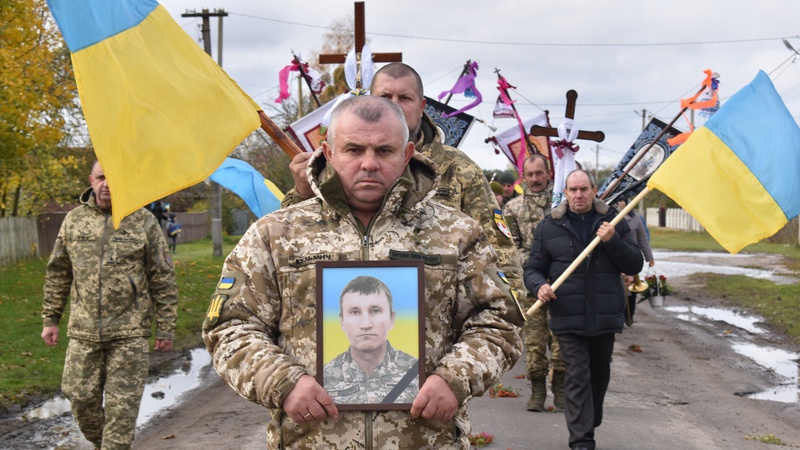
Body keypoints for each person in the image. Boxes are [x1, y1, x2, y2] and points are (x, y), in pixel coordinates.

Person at [202, 96, 522, 449]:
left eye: (384, 151)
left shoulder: (456, 234)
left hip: (427, 439)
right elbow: (230, 327)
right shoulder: (276, 234)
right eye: (353, 150)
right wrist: (284, 382)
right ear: (328, 151)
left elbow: (500, 321)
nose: (369, 164)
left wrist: (455, 378)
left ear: (407, 153)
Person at [281, 62, 525, 327]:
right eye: (385, 97)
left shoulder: (459, 169)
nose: (395, 104)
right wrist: (301, 193)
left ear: (421, 107)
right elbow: (288, 241)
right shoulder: (335, 164)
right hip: (344, 321)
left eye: (404, 98)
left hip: (437, 329)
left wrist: (504, 321)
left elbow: (498, 250)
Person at [41, 160, 178, 450]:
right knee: (80, 399)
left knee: (121, 415)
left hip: (129, 335)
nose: (107, 185)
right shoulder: (74, 220)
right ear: (91, 180)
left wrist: (166, 327)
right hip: (83, 332)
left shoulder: (143, 222)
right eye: (102, 177)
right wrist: (50, 318)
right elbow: (58, 271)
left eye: (114, 178)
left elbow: (162, 277)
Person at [523, 169, 643, 450]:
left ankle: (590, 418)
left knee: (599, 376)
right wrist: (539, 286)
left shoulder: (613, 222)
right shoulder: (550, 226)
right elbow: (533, 268)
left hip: (605, 314)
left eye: (584, 189)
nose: (578, 195)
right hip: (567, 313)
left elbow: (634, 265)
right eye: (573, 190)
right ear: (565, 193)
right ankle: (581, 441)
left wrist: (613, 239)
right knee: (577, 374)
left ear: (594, 191)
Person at [502, 154, 565, 412]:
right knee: (535, 343)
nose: (535, 179)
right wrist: (537, 268)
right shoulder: (512, 209)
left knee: (562, 341)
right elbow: (508, 246)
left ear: (549, 174)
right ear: (523, 177)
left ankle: (560, 390)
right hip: (531, 286)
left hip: (562, 284)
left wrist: (557, 269)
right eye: (530, 174)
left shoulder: (562, 203)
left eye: (540, 173)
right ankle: (537, 391)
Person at [323, 276, 418, 405]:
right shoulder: (323, 377)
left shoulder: (417, 371)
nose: (366, 324)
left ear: (392, 319)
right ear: (342, 322)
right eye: (355, 312)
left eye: (375, 311)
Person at [614, 195, 655, 326]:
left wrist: (649, 258)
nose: (618, 204)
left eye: (621, 201)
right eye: (617, 201)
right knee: (618, 289)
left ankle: (629, 316)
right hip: (616, 258)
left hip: (631, 257)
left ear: (626, 203)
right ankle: (619, 316)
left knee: (631, 290)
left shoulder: (636, 218)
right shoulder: (611, 217)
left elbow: (643, 239)